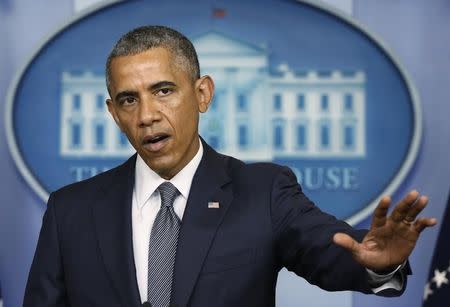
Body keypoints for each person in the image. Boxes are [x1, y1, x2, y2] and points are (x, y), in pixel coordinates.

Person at [23, 25, 437, 307]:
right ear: (114, 113)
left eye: (163, 91)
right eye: (129, 99)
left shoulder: (264, 192)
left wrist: (380, 262)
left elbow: (328, 250)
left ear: (202, 93)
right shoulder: (69, 210)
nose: (146, 114)